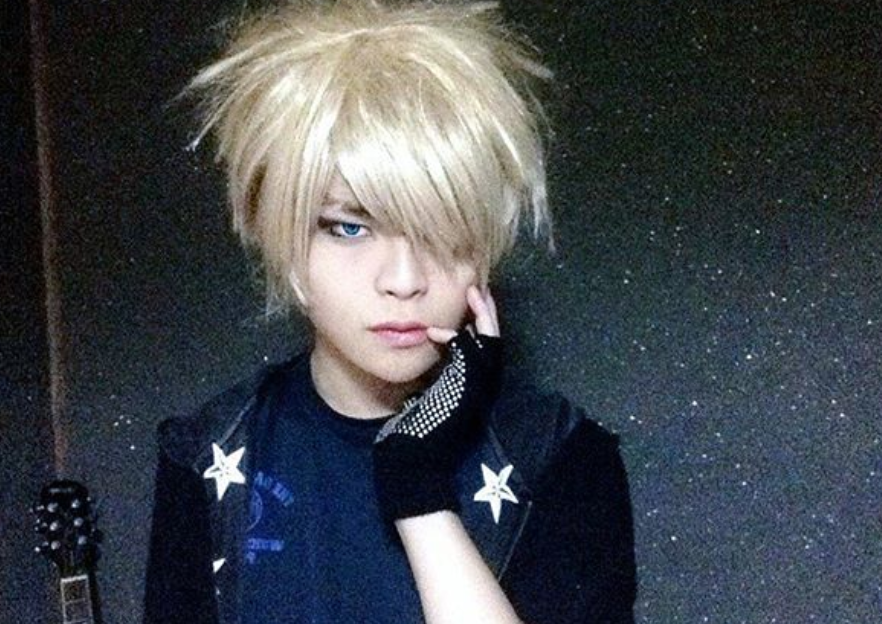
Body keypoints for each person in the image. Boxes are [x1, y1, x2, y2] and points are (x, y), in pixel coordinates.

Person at [143, 1, 636, 622]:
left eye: (441, 229)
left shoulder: (558, 455)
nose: (403, 281)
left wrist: (417, 487)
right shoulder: (208, 451)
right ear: (277, 230)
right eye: (349, 228)